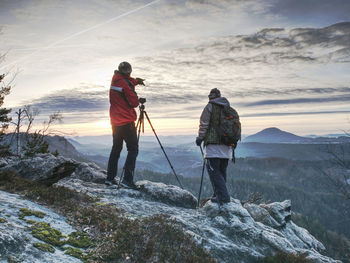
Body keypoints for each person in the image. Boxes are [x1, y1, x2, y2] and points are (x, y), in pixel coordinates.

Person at [105, 61, 145, 189]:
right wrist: (137, 98)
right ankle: (127, 180)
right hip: (126, 121)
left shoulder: (115, 80)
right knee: (133, 149)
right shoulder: (124, 84)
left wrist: (136, 81)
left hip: (115, 121)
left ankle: (110, 178)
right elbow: (133, 103)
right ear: (129, 71)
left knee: (116, 148)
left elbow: (126, 82)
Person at [196, 88, 233, 205]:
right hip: (227, 145)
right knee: (222, 171)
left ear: (212, 97)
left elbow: (204, 124)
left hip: (213, 144)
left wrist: (200, 138)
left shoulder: (209, 107)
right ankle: (218, 194)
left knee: (214, 171)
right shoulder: (228, 108)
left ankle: (223, 196)